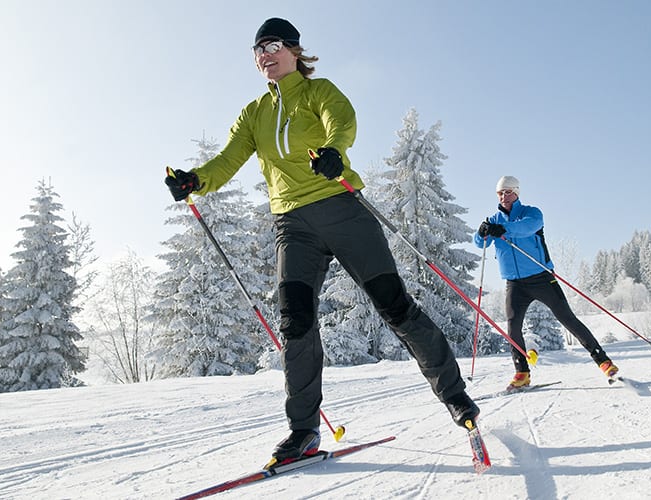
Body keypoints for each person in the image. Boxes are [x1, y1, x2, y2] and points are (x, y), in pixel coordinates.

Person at [164, 17, 478, 464]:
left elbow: (341, 122)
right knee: (295, 323)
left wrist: (333, 151)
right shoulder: (254, 113)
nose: (264, 55)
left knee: (394, 306)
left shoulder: (318, 91)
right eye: (257, 50)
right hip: (292, 225)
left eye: (272, 45)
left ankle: (456, 398)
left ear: (293, 49)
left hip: (341, 208)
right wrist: (196, 180)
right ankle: (303, 431)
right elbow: (228, 159)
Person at [473, 175, 619, 391]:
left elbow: (527, 228)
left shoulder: (531, 212)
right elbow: (480, 244)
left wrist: (504, 229)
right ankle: (522, 373)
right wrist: (482, 231)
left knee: (567, 318)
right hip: (514, 283)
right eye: (500, 193)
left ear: (517, 193)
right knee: (513, 328)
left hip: (540, 277)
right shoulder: (494, 219)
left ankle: (604, 362)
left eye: (508, 192)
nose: (504, 196)